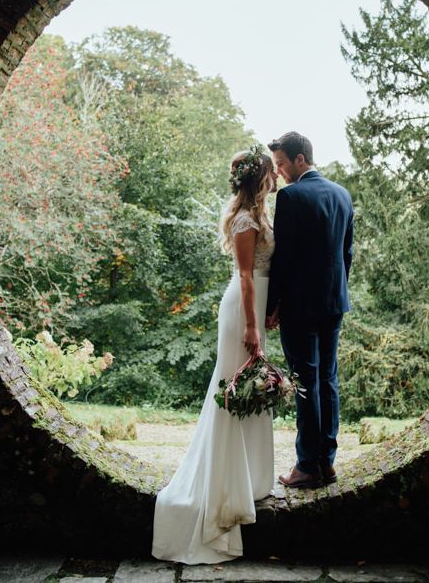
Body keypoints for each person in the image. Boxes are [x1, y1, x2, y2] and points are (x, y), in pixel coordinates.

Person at [152, 145, 278, 564]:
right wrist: (250, 325)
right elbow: (245, 276)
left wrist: (267, 311)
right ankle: (224, 493)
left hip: (256, 306)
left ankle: (252, 480)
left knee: (251, 392)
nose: (276, 176)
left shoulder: (260, 216)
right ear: (261, 177)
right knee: (234, 391)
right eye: (270, 172)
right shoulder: (245, 219)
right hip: (242, 310)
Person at [265, 131, 354, 489]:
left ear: (300, 159)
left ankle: (306, 466)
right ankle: (326, 462)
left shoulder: (291, 197)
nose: (280, 172)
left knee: (305, 381)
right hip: (334, 301)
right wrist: (336, 291)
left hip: (301, 305)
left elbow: (283, 260)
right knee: (327, 379)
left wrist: (273, 306)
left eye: (282, 164)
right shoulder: (342, 195)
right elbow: (346, 254)